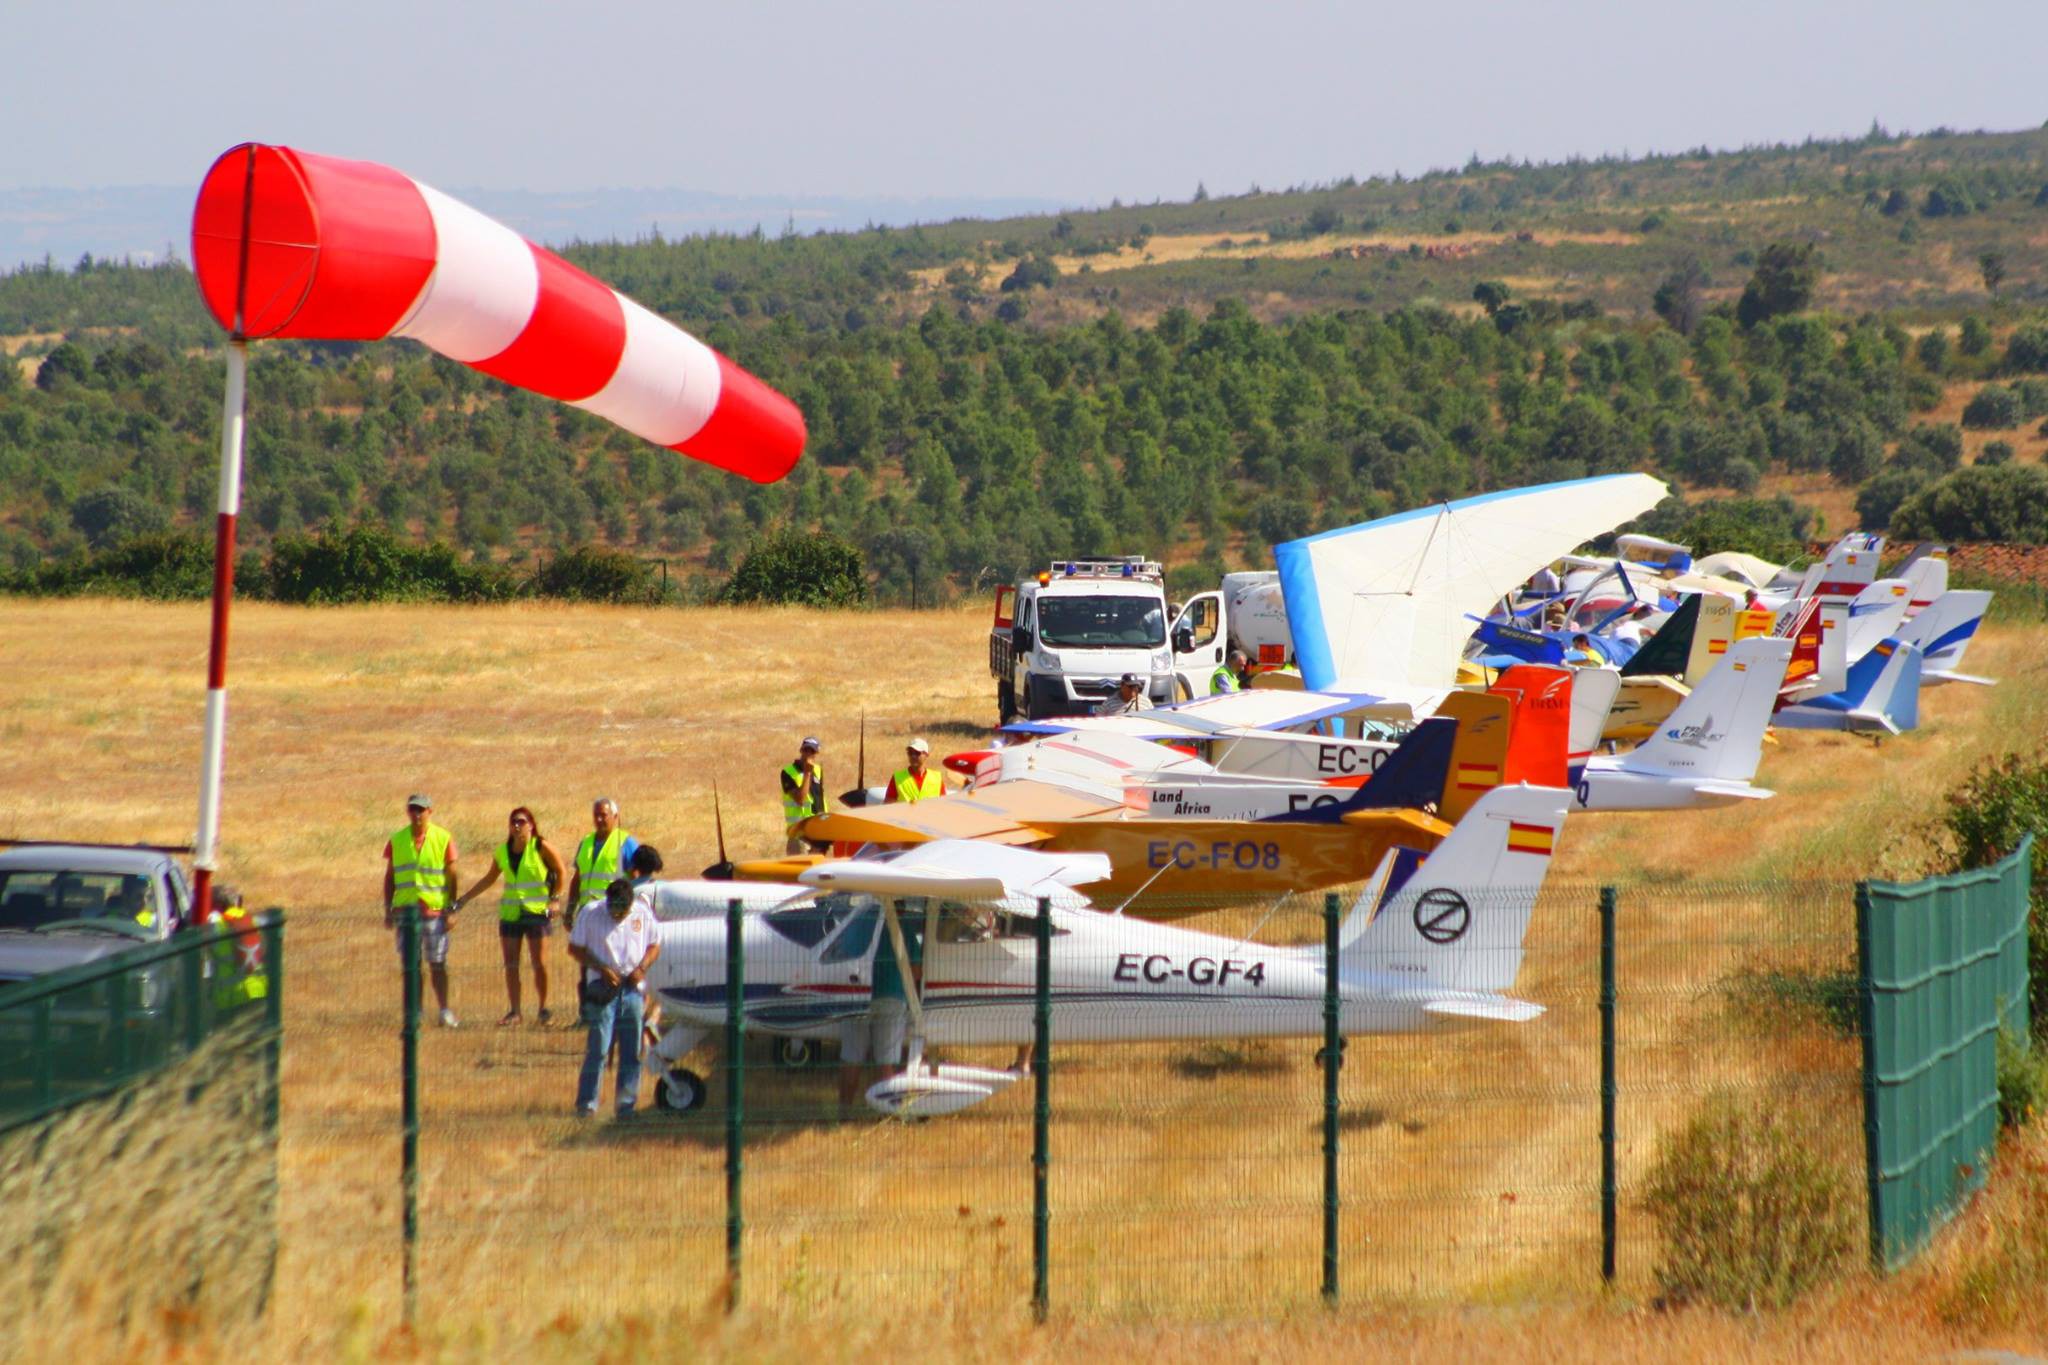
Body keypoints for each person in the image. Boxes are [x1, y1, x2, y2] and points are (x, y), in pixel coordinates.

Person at [450, 806, 566, 1028]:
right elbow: (489, 878)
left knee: (539, 963)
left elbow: (561, 871)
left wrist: (555, 899)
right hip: (511, 914)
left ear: (531, 824)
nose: (517, 826)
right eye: (513, 822)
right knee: (511, 964)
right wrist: (464, 899)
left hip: (537, 912)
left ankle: (544, 1008)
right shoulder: (503, 851)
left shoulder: (540, 847)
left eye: (521, 821)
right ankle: (515, 1011)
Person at [568, 879, 660, 1118]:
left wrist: (642, 967)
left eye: (623, 911)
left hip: (633, 989)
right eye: (614, 911)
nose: (618, 916)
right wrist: (601, 968)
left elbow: (654, 945)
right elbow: (575, 949)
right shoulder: (590, 913)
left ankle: (626, 1106)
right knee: (598, 1048)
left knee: (631, 1052)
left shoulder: (642, 912)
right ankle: (587, 1105)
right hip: (603, 988)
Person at [383, 793, 462, 1028]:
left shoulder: (443, 838)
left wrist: (451, 909)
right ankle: (415, 1012)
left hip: (434, 912)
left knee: (437, 963)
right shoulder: (397, 840)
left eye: (421, 810)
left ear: (430, 811)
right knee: (411, 966)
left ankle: (444, 1011)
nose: (417, 815)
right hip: (406, 914)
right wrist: (388, 909)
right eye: (413, 810)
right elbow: (390, 877)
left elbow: (453, 876)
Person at [839, 902, 922, 1110]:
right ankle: (885, 1111)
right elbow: (917, 972)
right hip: (892, 998)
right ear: (899, 907)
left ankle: (844, 1110)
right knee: (885, 1060)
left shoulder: (860, 926)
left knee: (852, 1057)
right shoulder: (904, 929)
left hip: (857, 996)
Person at [565, 798, 638, 930]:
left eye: (603, 815)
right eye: (596, 815)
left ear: (615, 817)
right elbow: (577, 880)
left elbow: (636, 879)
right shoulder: (586, 843)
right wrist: (570, 910)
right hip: (586, 911)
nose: (599, 819)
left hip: (612, 911)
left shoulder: (626, 842)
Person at [207, 884, 268, 1011]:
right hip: (259, 992)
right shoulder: (255, 922)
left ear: (217, 906)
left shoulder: (217, 928)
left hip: (232, 998)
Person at [780, 736, 830, 854]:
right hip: (800, 833)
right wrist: (807, 772)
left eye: (811, 751)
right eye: (806, 750)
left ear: (816, 753)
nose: (808, 753)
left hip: (818, 833)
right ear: (801, 750)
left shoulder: (818, 770)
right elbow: (800, 799)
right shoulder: (788, 772)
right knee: (800, 871)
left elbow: (819, 800)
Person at [886, 738, 945, 803]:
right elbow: (888, 806)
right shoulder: (897, 778)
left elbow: (943, 805)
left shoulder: (937, 778)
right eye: (910, 753)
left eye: (917, 753)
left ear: (926, 755)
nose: (913, 756)